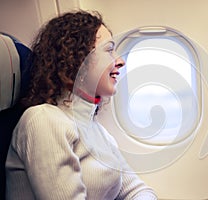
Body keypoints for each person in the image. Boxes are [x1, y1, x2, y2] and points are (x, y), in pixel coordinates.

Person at [5, 10, 157, 200]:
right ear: (78, 60)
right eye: (109, 50)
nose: (120, 61)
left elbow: (137, 190)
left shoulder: (98, 132)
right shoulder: (43, 120)